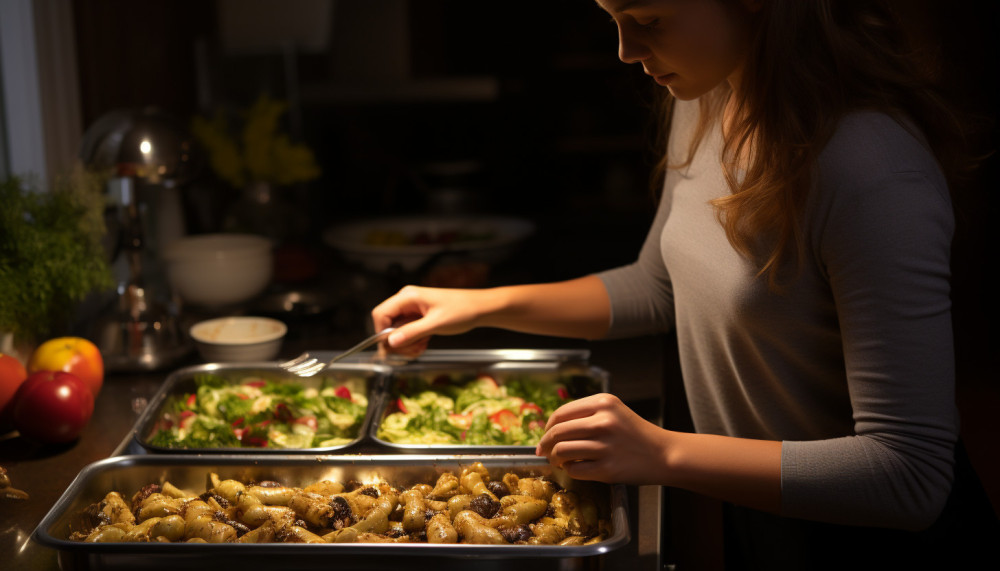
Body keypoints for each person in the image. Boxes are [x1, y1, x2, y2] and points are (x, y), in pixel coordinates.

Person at [372, 0, 997, 567]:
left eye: (648, 20)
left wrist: (662, 453)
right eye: (611, 19)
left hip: (875, 545)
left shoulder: (869, 168)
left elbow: (909, 475)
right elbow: (660, 286)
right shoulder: (706, 94)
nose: (625, 50)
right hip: (765, 510)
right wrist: (478, 306)